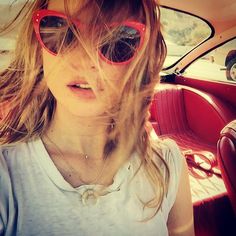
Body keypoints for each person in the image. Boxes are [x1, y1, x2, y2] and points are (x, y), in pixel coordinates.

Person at [0, 0, 194, 235]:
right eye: (60, 31)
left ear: (141, 59)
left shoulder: (168, 166)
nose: (85, 60)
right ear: (37, 46)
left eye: (118, 40)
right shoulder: (6, 177)